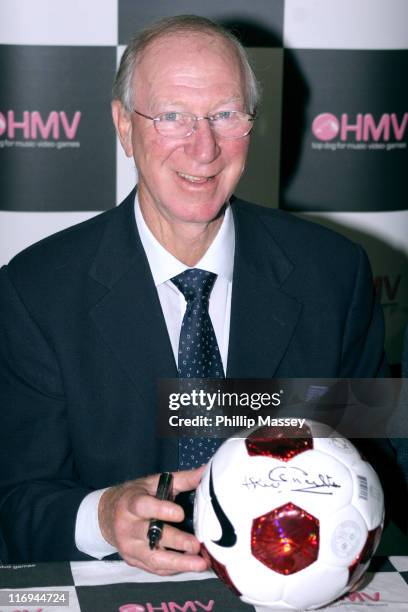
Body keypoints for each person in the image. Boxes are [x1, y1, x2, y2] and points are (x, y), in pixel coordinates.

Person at [0, 15, 393, 571]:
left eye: (225, 115)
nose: (203, 146)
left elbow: (375, 460)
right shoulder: (36, 291)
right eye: (172, 117)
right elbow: (16, 501)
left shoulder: (333, 274)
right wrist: (104, 515)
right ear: (123, 126)